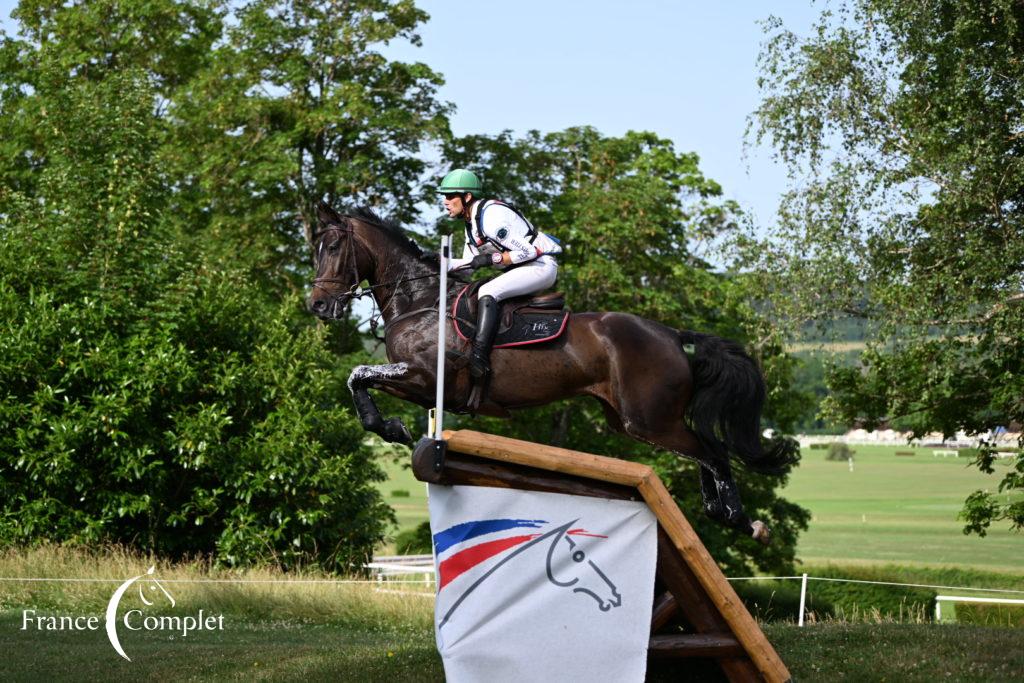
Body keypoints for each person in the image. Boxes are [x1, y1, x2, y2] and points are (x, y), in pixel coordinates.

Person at [439, 168, 563, 381]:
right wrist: (435, 262)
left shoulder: (491, 219)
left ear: (467, 197)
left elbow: (528, 251)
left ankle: (479, 357)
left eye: (450, 196)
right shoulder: (471, 225)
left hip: (540, 265)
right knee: (474, 289)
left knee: (488, 290)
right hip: (524, 268)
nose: (445, 201)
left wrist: (490, 259)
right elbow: (468, 267)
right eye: (444, 196)